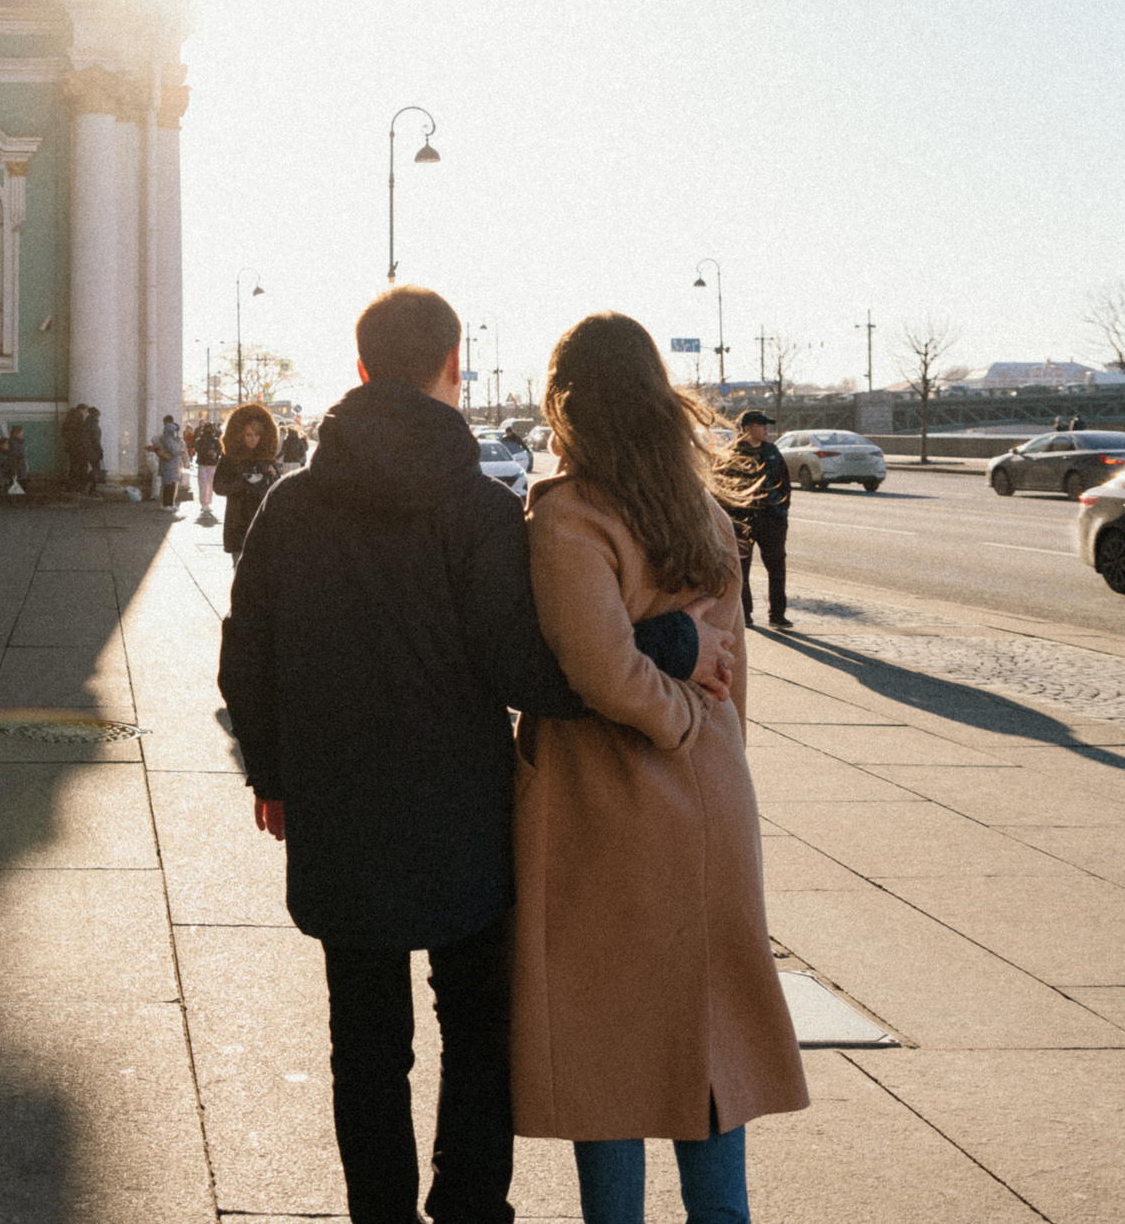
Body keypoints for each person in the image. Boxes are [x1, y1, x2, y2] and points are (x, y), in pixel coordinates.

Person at [219, 286, 727, 1224]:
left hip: (338, 811)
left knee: (365, 1040)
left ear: (362, 367)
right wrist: (669, 649)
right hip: (464, 817)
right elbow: (535, 673)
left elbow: (245, 660)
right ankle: (468, 1207)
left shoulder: (291, 508)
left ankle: (380, 1210)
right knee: (475, 1028)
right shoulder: (477, 509)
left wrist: (275, 777)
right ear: (453, 367)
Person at [514, 313, 810, 1223]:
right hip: (710, 799)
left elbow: (601, 669)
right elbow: (732, 672)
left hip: (607, 812)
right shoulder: (706, 515)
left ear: (567, 402)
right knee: (707, 1046)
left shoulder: (569, 514)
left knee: (610, 1054)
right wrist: (716, 751)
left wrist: (677, 714)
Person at [718, 409, 791, 629]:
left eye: (767, 425)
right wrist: (732, 518)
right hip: (742, 520)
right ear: (748, 428)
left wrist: (782, 510)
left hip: (771, 519)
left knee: (777, 567)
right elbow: (720, 490)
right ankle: (745, 614)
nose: (767, 429)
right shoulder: (731, 454)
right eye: (762, 425)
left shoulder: (772, 451)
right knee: (741, 569)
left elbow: (785, 482)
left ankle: (777, 614)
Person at [217, 403, 283, 555]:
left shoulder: (268, 458)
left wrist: (272, 477)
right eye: (249, 435)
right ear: (241, 435)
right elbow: (218, 487)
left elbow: (278, 492)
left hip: (262, 523)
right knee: (239, 570)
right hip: (238, 521)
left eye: (257, 435)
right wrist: (243, 482)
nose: (254, 439)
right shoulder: (230, 459)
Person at [149, 415, 187, 512]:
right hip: (168, 463)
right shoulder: (168, 436)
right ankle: (167, 504)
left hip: (171, 463)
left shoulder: (168, 436)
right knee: (168, 485)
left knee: (171, 484)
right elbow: (173, 450)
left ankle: (170, 503)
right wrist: (179, 452)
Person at [193, 419, 224, 527]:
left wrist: (215, 454)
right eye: (207, 428)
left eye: (210, 428)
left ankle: (207, 502)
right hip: (203, 464)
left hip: (211, 464)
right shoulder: (200, 440)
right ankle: (204, 503)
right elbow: (198, 450)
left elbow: (220, 450)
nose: (209, 430)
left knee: (208, 484)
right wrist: (208, 452)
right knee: (204, 483)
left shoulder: (215, 440)